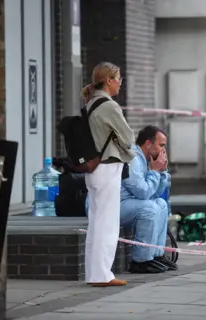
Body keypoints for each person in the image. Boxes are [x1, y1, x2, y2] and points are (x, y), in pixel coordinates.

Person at [82, 62, 135, 287]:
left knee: (96, 222)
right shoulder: (109, 106)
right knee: (108, 223)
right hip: (108, 166)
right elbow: (128, 137)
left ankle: (94, 274)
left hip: (94, 169)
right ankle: (103, 275)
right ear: (109, 80)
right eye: (119, 78)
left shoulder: (91, 102)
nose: (121, 83)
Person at [120, 125, 177, 273]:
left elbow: (154, 195)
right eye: (161, 145)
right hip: (115, 204)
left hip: (130, 203)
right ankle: (140, 260)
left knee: (161, 204)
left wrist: (162, 172)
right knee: (149, 209)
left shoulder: (146, 159)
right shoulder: (133, 159)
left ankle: (156, 255)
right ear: (148, 144)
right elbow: (142, 193)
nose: (163, 151)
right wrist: (155, 171)